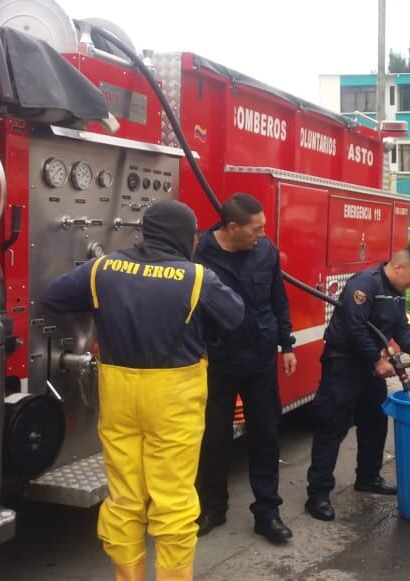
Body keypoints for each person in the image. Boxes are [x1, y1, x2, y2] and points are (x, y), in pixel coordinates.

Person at [41, 201, 245, 581]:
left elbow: (53, 297)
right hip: (174, 401)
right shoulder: (196, 278)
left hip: (119, 396)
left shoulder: (103, 269)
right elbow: (234, 315)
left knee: (124, 499)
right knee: (173, 501)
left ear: (145, 232)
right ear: (185, 235)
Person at [193, 194, 297, 543]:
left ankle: (267, 513)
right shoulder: (200, 255)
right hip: (217, 363)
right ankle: (213, 507)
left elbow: (278, 298)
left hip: (260, 361)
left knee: (265, 436)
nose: (263, 234)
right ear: (233, 227)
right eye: (256, 228)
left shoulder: (265, 251)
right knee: (213, 438)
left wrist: (286, 344)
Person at [305, 248, 410, 521]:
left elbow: (400, 325)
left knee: (374, 422)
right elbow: (355, 326)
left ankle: (368, 477)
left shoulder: (397, 293)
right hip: (343, 363)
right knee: (332, 425)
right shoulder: (365, 284)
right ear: (398, 267)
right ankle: (318, 494)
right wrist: (376, 360)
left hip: (371, 367)